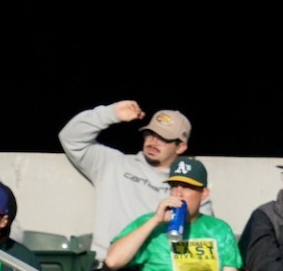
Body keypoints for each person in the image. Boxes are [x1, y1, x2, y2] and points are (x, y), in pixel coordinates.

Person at [103, 160, 249, 271]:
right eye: (174, 186)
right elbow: (113, 261)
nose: (178, 193)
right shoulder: (150, 224)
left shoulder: (219, 229)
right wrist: (155, 220)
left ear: (204, 193)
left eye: (187, 187)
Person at [59, 101, 192, 254]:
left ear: (180, 147)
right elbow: (70, 138)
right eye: (150, 134)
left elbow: (199, 233)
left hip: (158, 270)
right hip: (110, 266)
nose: (153, 142)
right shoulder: (112, 164)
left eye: (164, 138)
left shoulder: (188, 184)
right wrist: (111, 113)